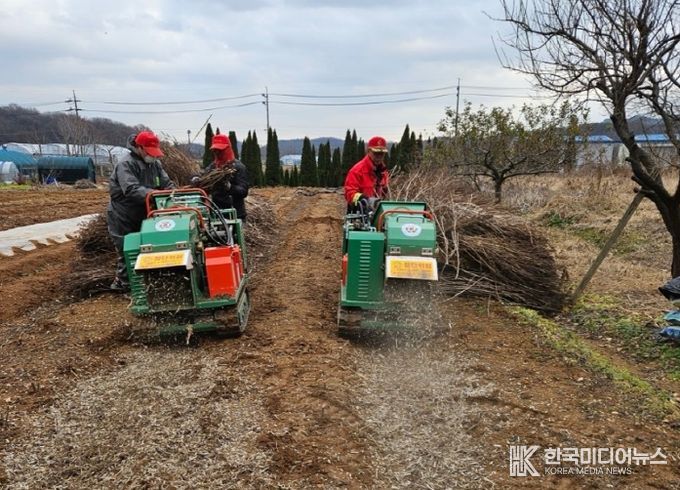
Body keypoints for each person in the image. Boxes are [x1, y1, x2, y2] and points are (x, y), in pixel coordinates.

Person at [107, 130, 174, 292]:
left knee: (148, 246)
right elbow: (131, 189)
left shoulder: (155, 164)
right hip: (123, 214)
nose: (152, 156)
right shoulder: (126, 164)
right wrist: (154, 194)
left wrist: (173, 195)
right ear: (139, 148)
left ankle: (148, 282)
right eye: (149, 152)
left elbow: (166, 183)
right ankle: (123, 285)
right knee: (128, 248)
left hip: (145, 211)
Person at [195, 133, 249, 221]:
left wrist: (229, 187)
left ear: (227, 149)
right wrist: (196, 179)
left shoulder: (238, 167)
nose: (217, 153)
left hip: (235, 214)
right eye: (215, 150)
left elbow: (243, 192)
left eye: (220, 150)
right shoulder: (213, 167)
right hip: (217, 213)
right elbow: (203, 176)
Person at [343, 135, 389, 211]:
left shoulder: (383, 172)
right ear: (368, 151)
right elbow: (349, 194)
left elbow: (384, 192)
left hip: (377, 211)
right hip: (359, 212)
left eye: (382, 153)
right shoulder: (357, 171)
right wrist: (366, 200)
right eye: (376, 153)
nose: (379, 156)